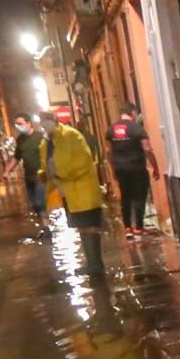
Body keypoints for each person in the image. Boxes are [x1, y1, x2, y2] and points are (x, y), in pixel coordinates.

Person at [39, 114, 107, 279]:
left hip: (83, 189)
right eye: (42, 122)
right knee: (81, 226)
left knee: (90, 225)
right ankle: (91, 263)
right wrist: (44, 175)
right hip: (67, 192)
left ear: (55, 121)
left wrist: (63, 174)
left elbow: (83, 161)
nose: (45, 125)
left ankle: (96, 264)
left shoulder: (71, 135)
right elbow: (46, 164)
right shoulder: (45, 143)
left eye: (47, 121)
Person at [106, 103, 159, 238]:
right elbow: (147, 149)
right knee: (139, 196)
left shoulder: (111, 130)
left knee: (125, 197)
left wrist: (113, 169)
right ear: (133, 113)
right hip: (137, 168)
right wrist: (155, 167)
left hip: (120, 169)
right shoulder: (137, 128)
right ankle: (139, 228)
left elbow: (108, 152)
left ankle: (128, 227)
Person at [9, 114, 47, 223]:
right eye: (17, 124)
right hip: (28, 176)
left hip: (40, 175)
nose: (18, 126)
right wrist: (7, 171)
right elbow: (17, 157)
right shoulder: (20, 139)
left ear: (29, 123)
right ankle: (44, 226)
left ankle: (46, 228)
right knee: (34, 204)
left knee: (40, 202)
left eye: (20, 124)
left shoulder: (40, 137)